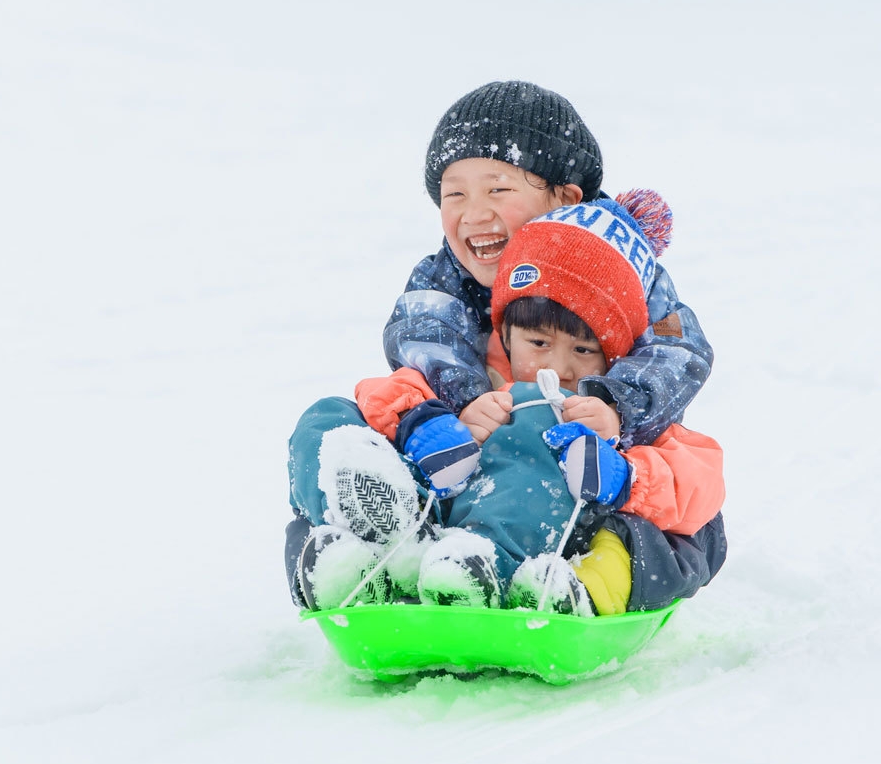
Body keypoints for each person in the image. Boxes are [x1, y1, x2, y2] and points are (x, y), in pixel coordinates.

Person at [284, 191, 725, 616]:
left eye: (585, 350)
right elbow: (384, 390)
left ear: (615, 357)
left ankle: (480, 571)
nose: (559, 365)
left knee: (544, 425)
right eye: (538, 342)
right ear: (503, 336)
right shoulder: (473, 379)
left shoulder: (616, 415)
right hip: (431, 510)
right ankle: (367, 550)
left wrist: (627, 477)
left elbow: (702, 482)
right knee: (331, 417)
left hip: (541, 554)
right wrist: (420, 422)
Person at [385, 81, 712, 452]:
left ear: (564, 200)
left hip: (590, 447)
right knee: (352, 414)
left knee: (684, 465)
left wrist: (615, 406)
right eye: (455, 194)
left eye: (498, 190)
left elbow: (677, 349)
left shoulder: (620, 263)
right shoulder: (443, 276)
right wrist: (468, 402)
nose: (473, 215)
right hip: (478, 448)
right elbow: (422, 334)